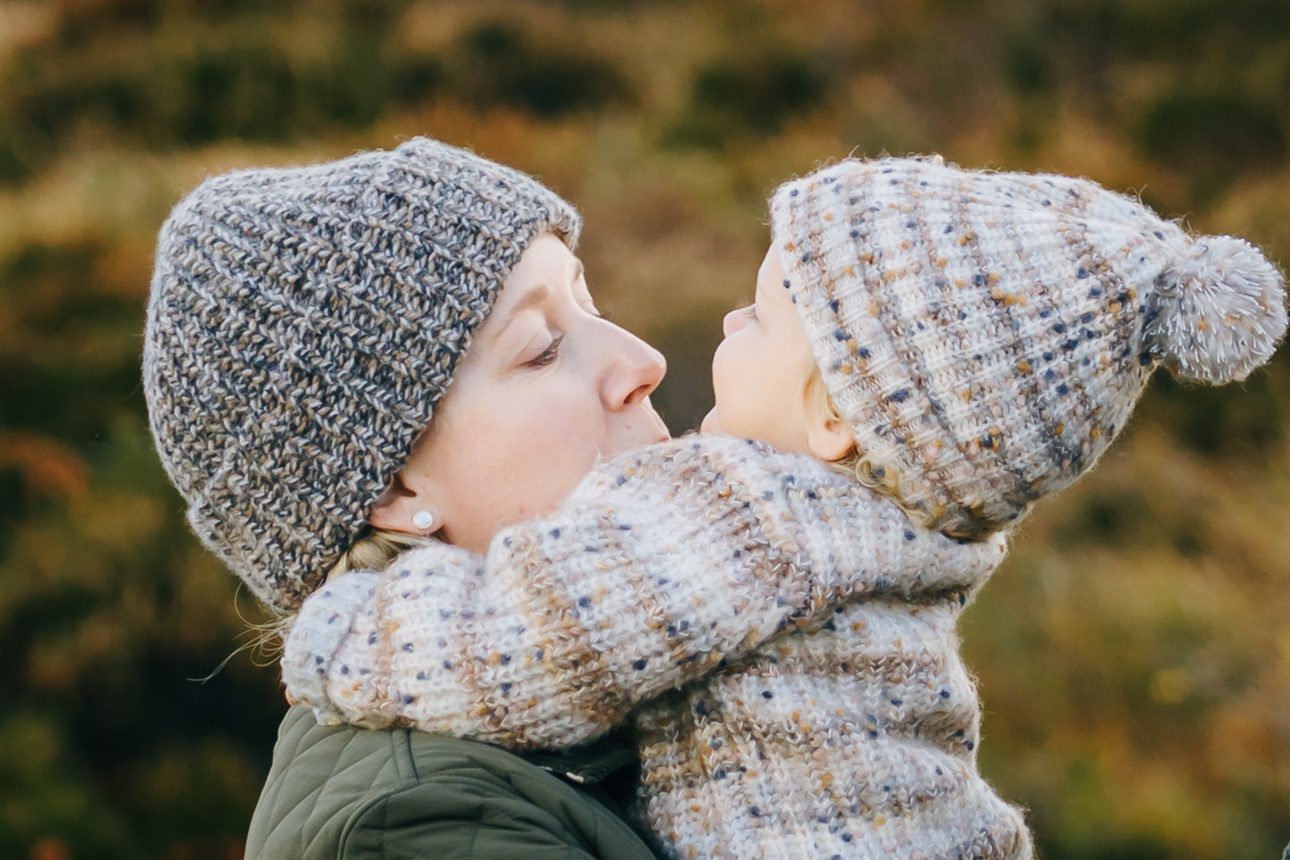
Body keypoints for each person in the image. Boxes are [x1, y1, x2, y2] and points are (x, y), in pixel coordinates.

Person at [279, 156, 1287, 859]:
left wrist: (347, 631)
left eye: (760, 314)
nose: (669, 346)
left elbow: (535, 639)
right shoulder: (919, 536)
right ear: (392, 485)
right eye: (546, 343)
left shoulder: (745, 519)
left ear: (833, 415)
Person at [142, 137, 676, 859]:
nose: (643, 361)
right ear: (394, 486)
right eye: (541, 347)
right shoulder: (415, 826)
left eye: (591, 303)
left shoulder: (639, 681)